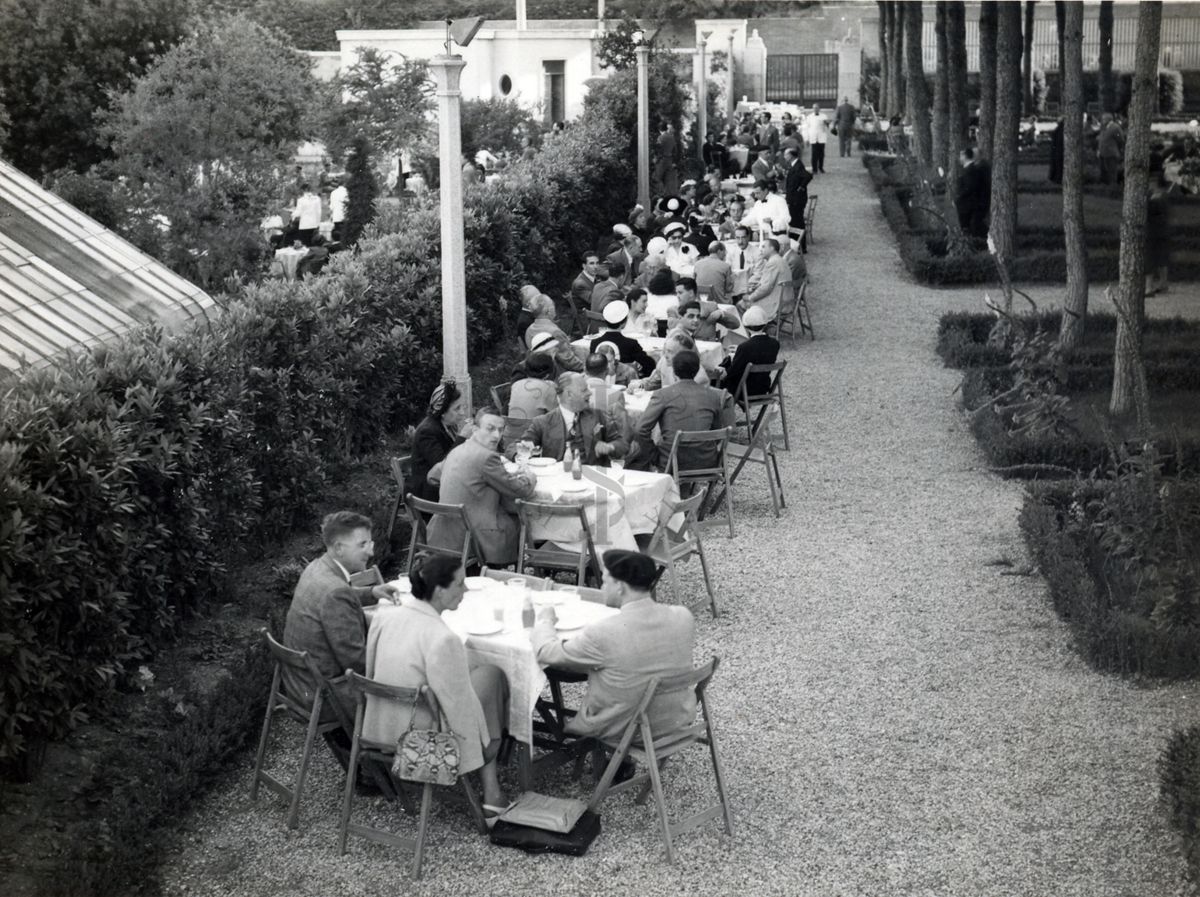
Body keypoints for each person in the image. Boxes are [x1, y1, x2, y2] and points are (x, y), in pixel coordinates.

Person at [364, 556, 510, 814]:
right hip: (421, 740)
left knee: (475, 674)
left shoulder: (383, 616)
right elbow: (458, 708)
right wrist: (484, 744)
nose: (465, 591)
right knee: (492, 675)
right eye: (460, 584)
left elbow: (372, 670)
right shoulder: (443, 638)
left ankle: (493, 787)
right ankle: (492, 784)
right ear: (440, 591)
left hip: (378, 727)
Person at [530, 549, 696, 746]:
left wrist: (545, 621)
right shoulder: (683, 616)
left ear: (620, 586)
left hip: (624, 728)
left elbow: (545, 652)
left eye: (605, 580)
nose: (601, 586)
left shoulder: (604, 632)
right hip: (675, 720)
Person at [283, 511, 399, 779]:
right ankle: (382, 768)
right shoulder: (335, 592)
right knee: (411, 684)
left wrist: (371, 592)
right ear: (338, 547)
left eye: (369, 543)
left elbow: (337, 596)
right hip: (325, 694)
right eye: (362, 544)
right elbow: (356, 661)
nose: (371, 551)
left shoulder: (318, 567)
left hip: (298, 683)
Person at [429, 407, 537, 566]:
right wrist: (530, 477)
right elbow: (521, 490)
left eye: (500, 430)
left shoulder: (457, 450)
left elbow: (432, 476)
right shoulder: (487, 457)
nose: (496, 435)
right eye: (490, 429)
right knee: (525, 515)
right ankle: (535, 566)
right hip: (473, 535)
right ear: (474, 428)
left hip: (443, 531)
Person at [628, 350, 735, 472]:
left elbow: (640, 430)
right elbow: (717, 430)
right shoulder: (713, 396)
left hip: (671, 461)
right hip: (707, 462)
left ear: (673, 371)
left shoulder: (663, 395)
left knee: (637, 457)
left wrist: (654, 454)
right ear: (696, 371)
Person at [518, 372, 626, 464]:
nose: (590, 393)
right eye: (584, 390)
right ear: (569, 394)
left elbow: (622, 443)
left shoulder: (598, 415)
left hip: (594, 480)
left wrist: (611, 447)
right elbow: (517, 447)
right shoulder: (542, 422)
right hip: (558, 481)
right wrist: (521, 453)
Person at [410, 380, 469, 501]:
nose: (462, 413)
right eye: (457, 409)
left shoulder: (449, 425)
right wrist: (462, 438)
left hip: (446, 483)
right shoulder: (427, 432)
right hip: (429, 492)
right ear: (442, 412)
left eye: (462, 406)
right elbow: (442, 467)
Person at [721, 305, 780, 399]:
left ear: (746, 327)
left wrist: (733, 357)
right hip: (763, 388)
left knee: (716, 381)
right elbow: (759, 353)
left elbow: (731, 373)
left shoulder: (745, 347)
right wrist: (740, 352)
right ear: (765, 325)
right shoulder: (775, 344)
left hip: (744, 390)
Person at [590, 300, 656, 377]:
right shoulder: (631, 344)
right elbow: (649, 365)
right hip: (626, 383)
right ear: (624, 322)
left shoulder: (594, 342)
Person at [668, 280, 739, 344]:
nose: (677, 296)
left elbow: (736, 324)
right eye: (676, 293)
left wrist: (721, 314)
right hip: (684, 350)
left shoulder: (710, 307)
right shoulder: (673, 310)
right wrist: (704, 319)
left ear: (691, 293)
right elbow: (674, 329)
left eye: (680, 293)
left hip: (709, 351)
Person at [635, 331, 709, 391]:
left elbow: (692, 402)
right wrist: (639, 385)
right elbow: (651, 383)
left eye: (670, 352)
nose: (666, 355)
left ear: (684, 354)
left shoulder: (699, 377)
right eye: (665, 350)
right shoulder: (664, 362)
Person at [740, 237, 787, 323]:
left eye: (763, 247)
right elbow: (768, 284)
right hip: (784, 299)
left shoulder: (773, 263)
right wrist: (757, 286)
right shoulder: (780, 260)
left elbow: (766, 288)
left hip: (776, 302)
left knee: (740, 304)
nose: (760, 250)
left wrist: (750, 297)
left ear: (772, 248)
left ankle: (752, 332)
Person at [508, 352, 559, 420]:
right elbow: (559, 415)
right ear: (547, 375)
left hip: (512, 428)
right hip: (533, 429)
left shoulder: (516, 384)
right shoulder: (548, 387)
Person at [955, 147, 991, 239]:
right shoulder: (971, 168)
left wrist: (958, 197)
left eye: (961, 156)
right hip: (970, 203)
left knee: (971, 226)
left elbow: (970, 187)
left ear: (965, 156)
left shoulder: (971, 170)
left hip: (969, 204)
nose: (959, 158)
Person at [783, 146, 813, 252]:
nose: (784, 156)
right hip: (795, 199)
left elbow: (808, 176)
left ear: (791, 155)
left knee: (797, 222)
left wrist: (801, 187)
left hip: (796, 200)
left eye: (786, 154)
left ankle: (800, 245)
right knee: (796, 222)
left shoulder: (798, 165)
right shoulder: (795, 165)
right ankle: (798, 244)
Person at [729, 225, 761, 301]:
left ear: (748, 237)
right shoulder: (731, 252)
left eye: (743, 237)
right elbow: (728, 270)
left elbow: (759, 274)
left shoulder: (757, 253)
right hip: (734, 288)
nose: (740, 241)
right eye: (738, 238)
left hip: (750, 289)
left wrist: (744, 286)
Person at [1098, 113, 1124, 186]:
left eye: (1103, 119)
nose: (1102, 121)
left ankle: (1113, 188)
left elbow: (1120, 139)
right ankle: (1105, 188)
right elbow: (1101, 139)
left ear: (1108, 119)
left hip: (1111, 154)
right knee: (1104, 172)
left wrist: (1117, 149)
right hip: (1103, 154)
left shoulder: (1115, 127)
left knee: (1112, 172)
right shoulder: (1104, 127)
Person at [805, 105, 829, 173]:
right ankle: (814, 169)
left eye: (817, 108)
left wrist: (827, 124)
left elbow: (828, 126)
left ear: (819, 109)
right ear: (812, 109)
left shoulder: (824, 116)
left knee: (821, 154)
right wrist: (807, 138)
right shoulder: (809, 117)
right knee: (814, 154)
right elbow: (806, 128)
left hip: (821, 137)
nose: (815, 109)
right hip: (813, 137)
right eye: (814, 108)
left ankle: (821, 167)